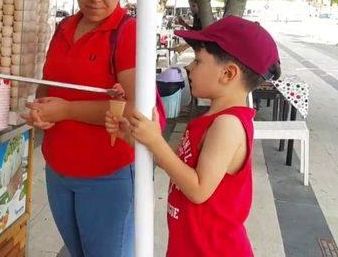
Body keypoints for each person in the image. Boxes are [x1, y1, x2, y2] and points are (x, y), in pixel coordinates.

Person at [106, 16, 281, 256]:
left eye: (198, 61)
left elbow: (199, 190)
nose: (189, 67)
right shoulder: (210, 119)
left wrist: (157, 141)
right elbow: (179, 165)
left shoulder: (227, 125)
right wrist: (137, 139)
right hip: (189, 244)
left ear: (228, 74)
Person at [21, 0, 138, 257]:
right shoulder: (63, 28)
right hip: (58, 170)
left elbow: (131, 112)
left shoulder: (127, 33)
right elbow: (48, 85)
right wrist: (39, 110)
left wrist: (66, 111)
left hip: (107, 174)